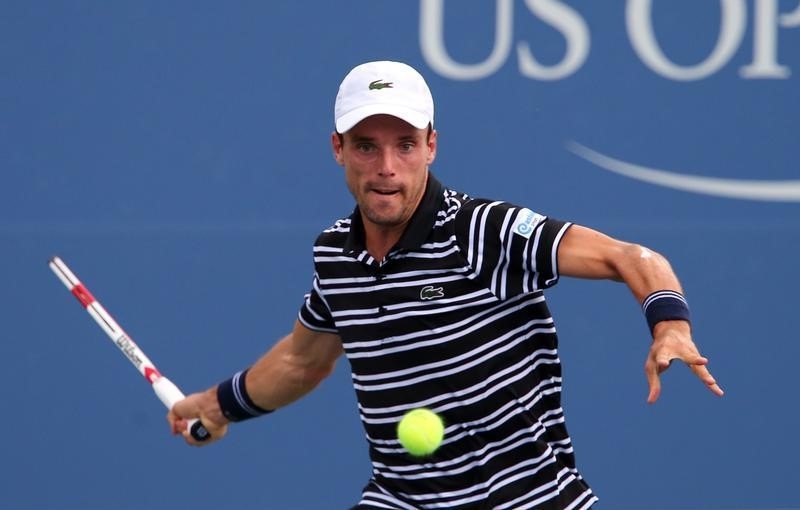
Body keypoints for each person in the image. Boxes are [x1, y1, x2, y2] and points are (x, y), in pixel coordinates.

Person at [168, 60, 723, 509]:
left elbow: (628, 257)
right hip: (401, 499)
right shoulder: (336, 256)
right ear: (338, 149)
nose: (387, 166)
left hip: (528, 499)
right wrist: (219, 406)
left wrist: (670, 325)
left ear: (431, 146)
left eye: (405, 144)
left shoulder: (483, 231)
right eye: (366, 146)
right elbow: (302, 360)